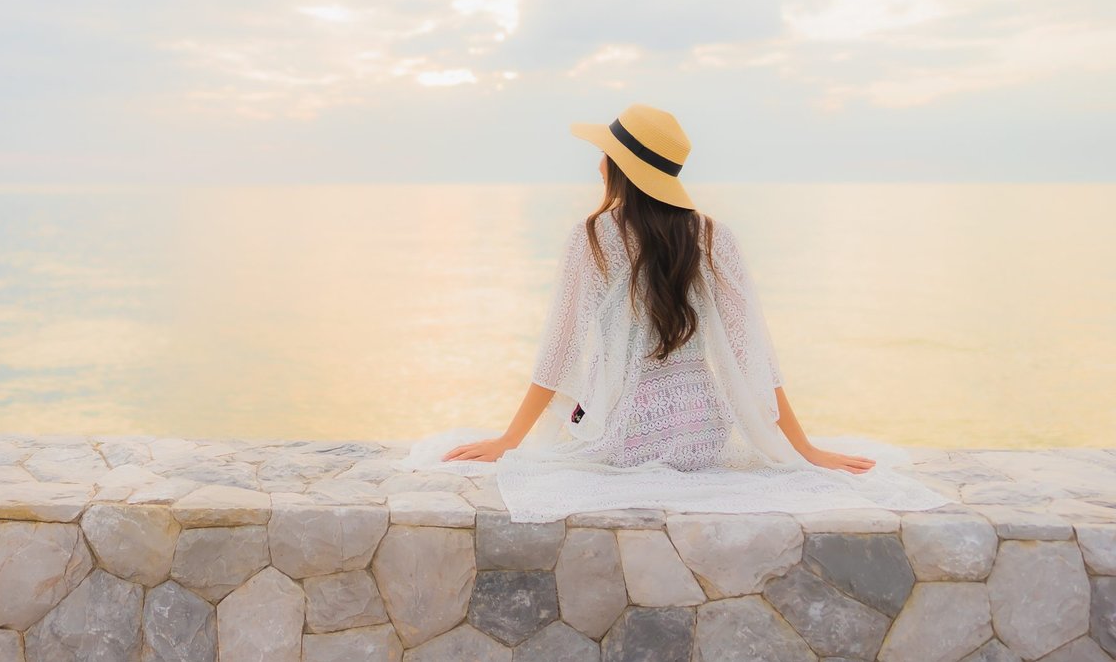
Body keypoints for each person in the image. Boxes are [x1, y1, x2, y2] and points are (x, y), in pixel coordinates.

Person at [393, 103, 954, 521]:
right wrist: (802, 450)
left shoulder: (592, 237)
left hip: (622, 437)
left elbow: (558, 349)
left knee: (582, 417)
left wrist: (508, 441)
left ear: (618, 167)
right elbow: (751, 352)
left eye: (604, 156)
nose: (597, 166)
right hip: (704, 435)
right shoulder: (714, 238)